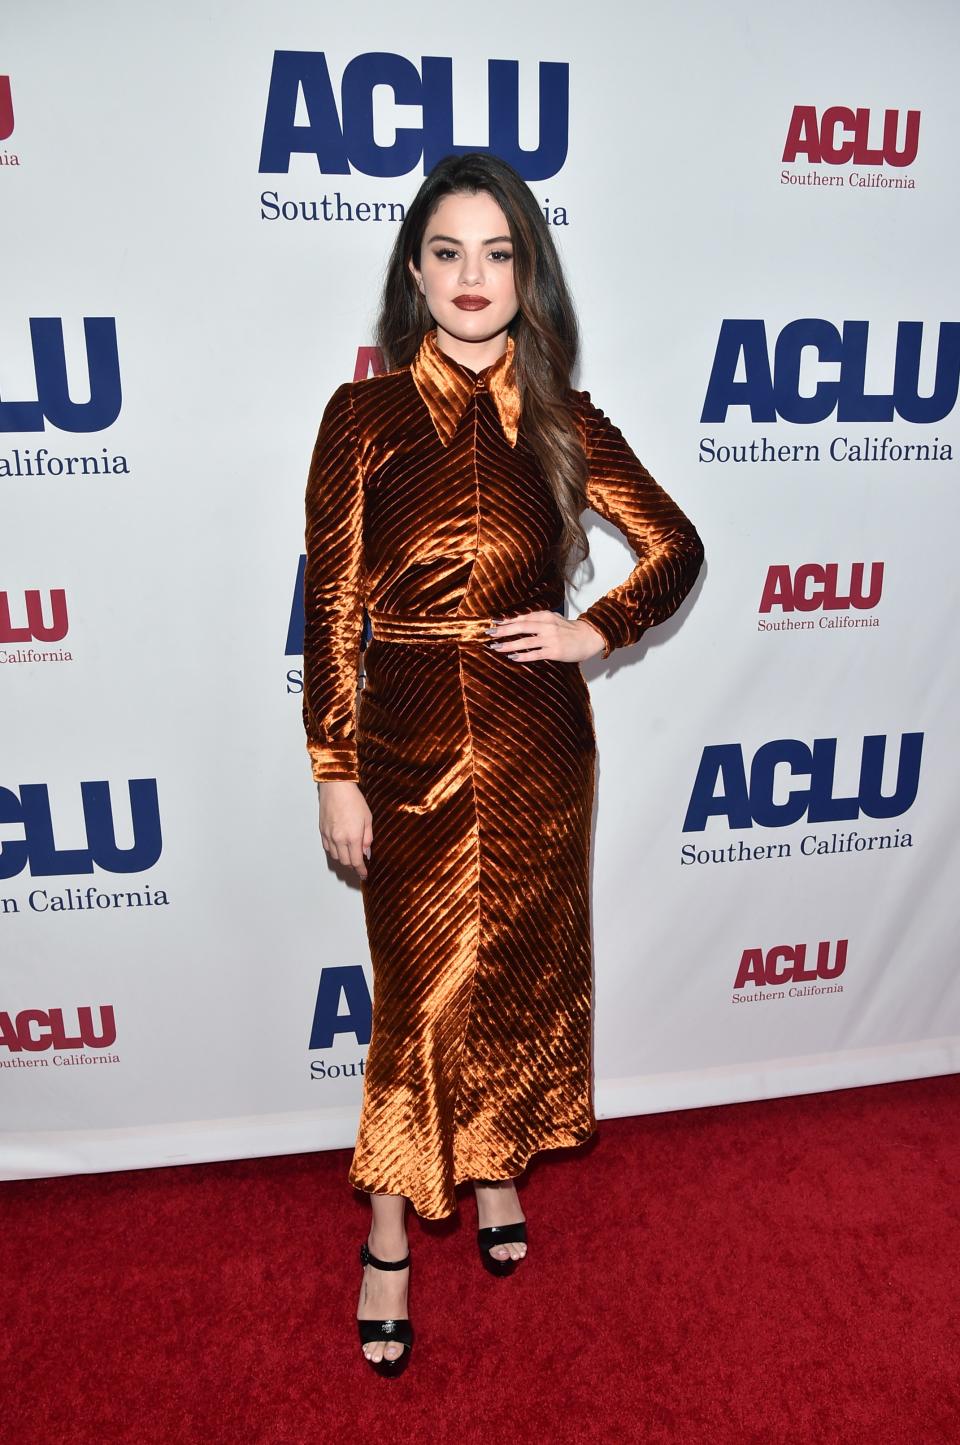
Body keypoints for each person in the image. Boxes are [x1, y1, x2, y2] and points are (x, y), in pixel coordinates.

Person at [301, 152, 705, 1375]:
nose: (472, 276)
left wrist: (598, 627)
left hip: (538, 749)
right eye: (447, 251)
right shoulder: (360, 416)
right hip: (409, 739)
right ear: (413, 273)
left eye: (497, 252)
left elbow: (676, 545)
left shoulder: (569, 419)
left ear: (527, 273)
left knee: (521, 981)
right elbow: (327, 609)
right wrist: (332, 764)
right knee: (417, 1000)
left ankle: (492, 1166)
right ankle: (386, 1225)